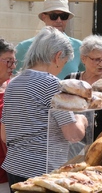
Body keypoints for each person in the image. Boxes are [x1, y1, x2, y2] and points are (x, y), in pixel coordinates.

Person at [1, 26, 88, 190]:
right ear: (57, 56)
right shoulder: (52, 84)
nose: (62, 68)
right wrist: (81, 119)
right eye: (64, 62)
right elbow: (73, 134)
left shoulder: (13, 84)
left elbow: (4, 135)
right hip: (43, 172)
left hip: (14, 168)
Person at [14, 0, 84, 79]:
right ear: (44, 17)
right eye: (53, 16)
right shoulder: (23, 47)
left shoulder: (79, 47)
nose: (59, 20)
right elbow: (12, 77)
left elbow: (89, 75)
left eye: (63, 16)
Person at [0, 38, 16, 193]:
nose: (13, 67)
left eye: (14, 62)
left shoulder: (13, 86)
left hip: (11, 166)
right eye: (8, 62)